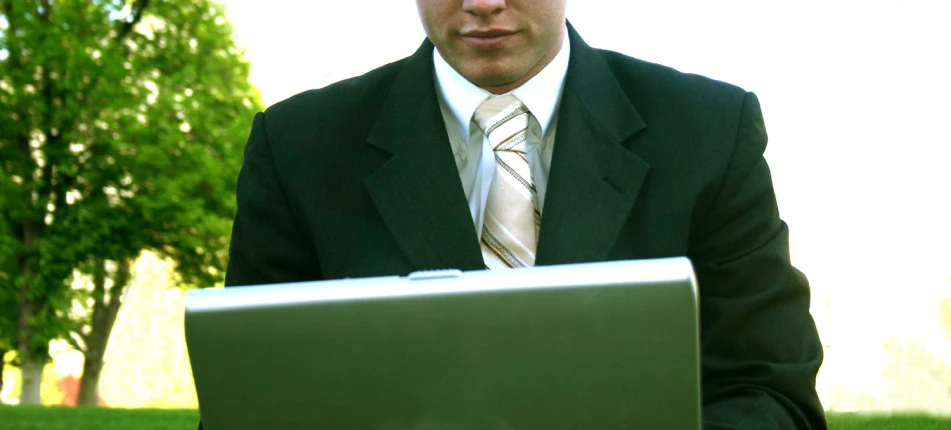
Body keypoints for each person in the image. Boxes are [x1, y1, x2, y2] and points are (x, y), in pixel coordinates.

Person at [222, 0, 826, 428]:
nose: (483, 3)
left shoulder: (708, 132)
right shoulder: (297, 146)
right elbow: (252, 402)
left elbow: (770, 390)